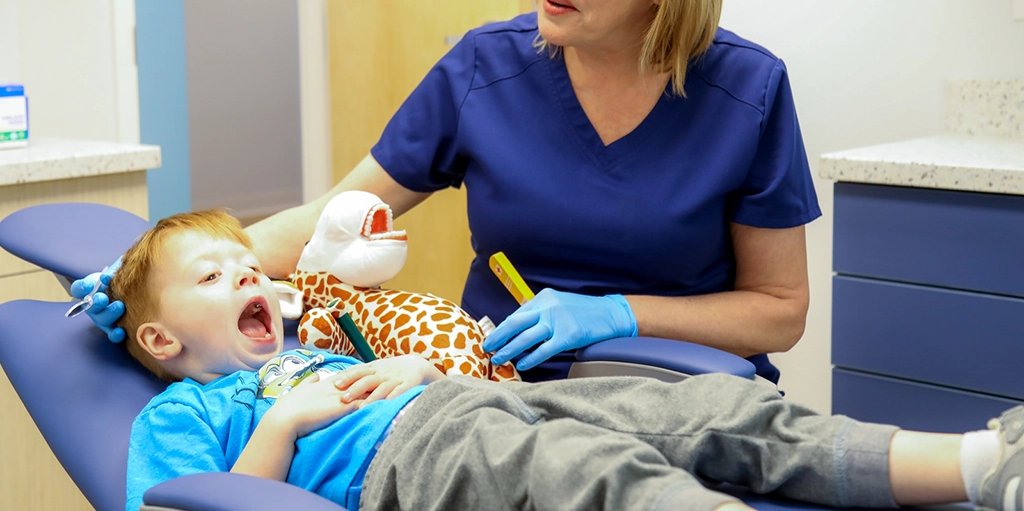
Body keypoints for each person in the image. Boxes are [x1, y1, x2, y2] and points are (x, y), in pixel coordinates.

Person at [80, 0, 820, 383]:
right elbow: (337, 215)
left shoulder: (745, 91)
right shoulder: (484, 68)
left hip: (680, 383)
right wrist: (144, 277)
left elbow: (779, 310)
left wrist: (621, 312)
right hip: (494, 382)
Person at [112, 210, 1020, 511]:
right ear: (160, 339)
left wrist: (425, 373)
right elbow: (202, 503)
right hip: (408, 462)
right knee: (602, 475)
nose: (248, 275)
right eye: (213, 275)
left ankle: (978, 465)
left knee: (704, 410)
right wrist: (278, 425)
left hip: (463, 408)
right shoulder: (187, 413)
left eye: (248, 265)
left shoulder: (313, 343)